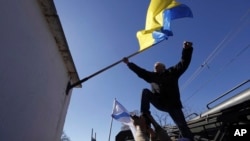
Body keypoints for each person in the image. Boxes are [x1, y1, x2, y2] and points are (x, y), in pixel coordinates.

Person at [123, 41, 194, 141]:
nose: (155, 69)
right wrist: (129, 64)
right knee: (145, 92)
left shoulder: (172, 72)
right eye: (155, 68)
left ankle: (188, 138)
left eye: (157, 67)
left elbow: (183, 63)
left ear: (163, 67)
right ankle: (145, 116)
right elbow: (141, 72)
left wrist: (186, 50)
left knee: (182, 126)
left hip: (173, 104)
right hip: (160, 102)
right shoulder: (152, 76)